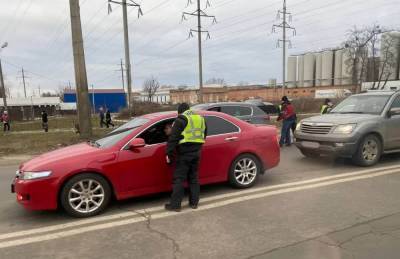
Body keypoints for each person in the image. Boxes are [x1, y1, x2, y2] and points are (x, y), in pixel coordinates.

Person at [165, 103, 207, 212]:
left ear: (179, 111)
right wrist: (198, 146)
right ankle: (194, 203)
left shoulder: (180, 120)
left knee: (179, 179)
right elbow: (204, 134)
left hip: (184, 153)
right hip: (197, 152)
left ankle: (175, 206)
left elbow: (173, 139)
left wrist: (169, 154)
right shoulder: (200, 119)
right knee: (193, 178)